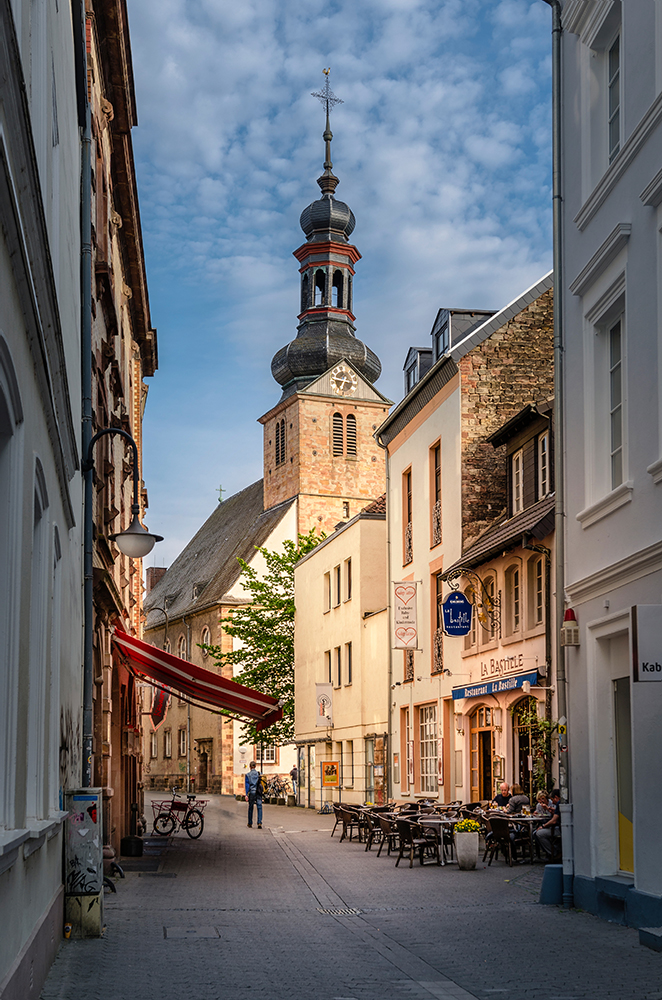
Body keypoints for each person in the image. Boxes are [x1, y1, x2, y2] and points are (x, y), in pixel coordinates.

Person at [534, 788, 561, 858]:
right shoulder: (539, 805)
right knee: (534, 833)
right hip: (554, 826)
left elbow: (554, 820)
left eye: (552, 800)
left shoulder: (558, 804)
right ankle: (549, 852)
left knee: (539, 833)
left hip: (557, 827)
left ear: (556, 797)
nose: (552, 802)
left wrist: (543, 826)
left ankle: (553, 853)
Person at [245, 761, 263, 829]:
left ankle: (250, 823)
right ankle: (259, 822)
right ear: (255, 766)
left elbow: (247, 785)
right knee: (259, 807)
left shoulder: (248, 775)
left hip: (252, 792)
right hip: (258, 792)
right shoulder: (259, 774)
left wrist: (246, 794)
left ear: (250, 767)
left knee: (251, 807)